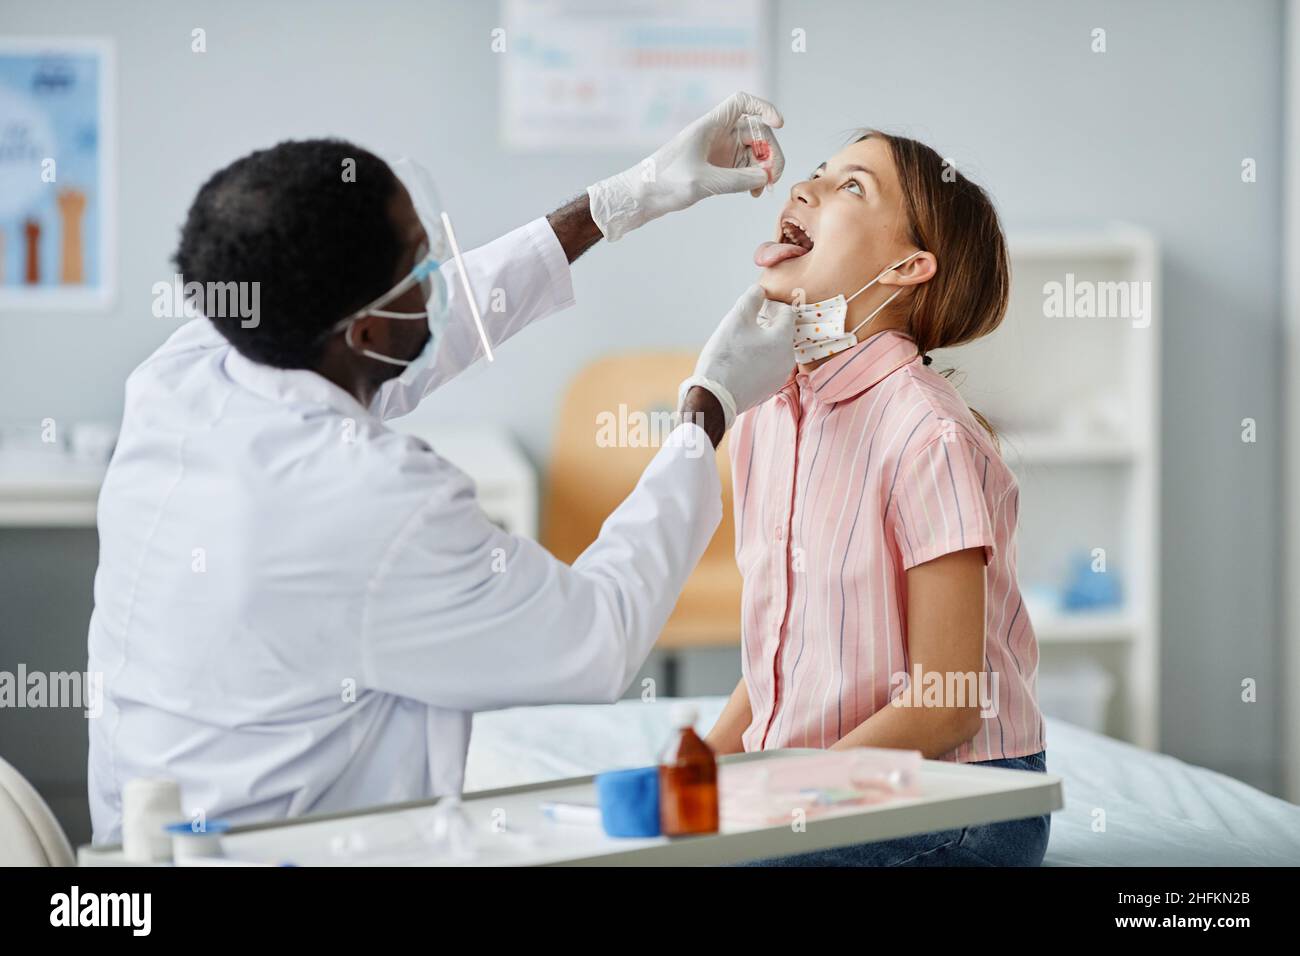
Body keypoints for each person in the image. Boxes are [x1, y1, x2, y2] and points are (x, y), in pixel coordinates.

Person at [87, 93, 797, 844]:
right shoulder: (372, 504)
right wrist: (707, 411)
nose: (441, 275)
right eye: (421, 265)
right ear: (362, 329)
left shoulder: (195, 365)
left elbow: (427, 328)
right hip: (271, 854)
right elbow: (598, 638)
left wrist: (621, 201)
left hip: (148, 832)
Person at [706, 129, 1050, 866]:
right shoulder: (767, 415)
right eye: (819, 174)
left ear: (907, 267)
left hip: (958, 797)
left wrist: (776, 800)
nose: (806, 188)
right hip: (834, 781)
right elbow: (789, 648)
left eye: (852, 187)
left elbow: (947, 703)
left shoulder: (927, 437)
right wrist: (701, 772)